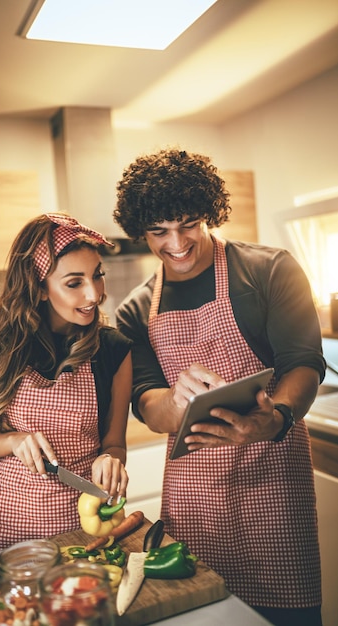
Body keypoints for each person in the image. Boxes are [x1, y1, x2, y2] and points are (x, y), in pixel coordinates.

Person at [113, 148, 325, 626]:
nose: (176, 243)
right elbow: (146, 405)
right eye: (158, 232)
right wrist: (172, 400)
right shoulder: (134, 310)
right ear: (140, 232)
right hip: (193, 496)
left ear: (209, 212)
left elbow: (304, 364)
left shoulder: (270, 271)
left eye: (188, 224)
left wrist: (274, 417)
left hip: (274, 485)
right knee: (201, 614)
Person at [0, 212, 132, 553]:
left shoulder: (114, 349)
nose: (94, 294)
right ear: (39, 289)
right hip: (13, 522)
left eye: (98, 276)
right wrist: (12, 441)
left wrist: (111, 459)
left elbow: (115, 443)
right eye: (74, 283)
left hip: (86, 524)